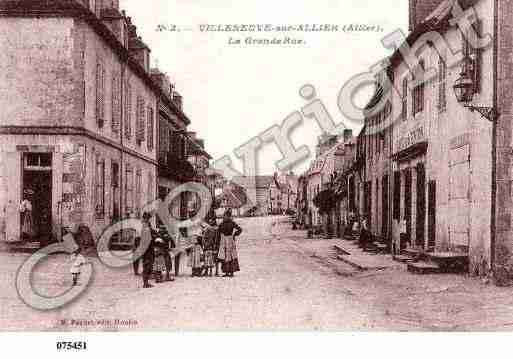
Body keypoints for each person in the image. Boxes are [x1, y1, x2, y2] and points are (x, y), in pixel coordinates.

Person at [217, 209, 242, 278]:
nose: (224, 217)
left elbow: (240, 229)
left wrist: (234, 235)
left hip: (230, 240)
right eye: (224, 216)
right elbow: (218, 232)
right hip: (224, 240)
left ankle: (231, 271)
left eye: (225, 216)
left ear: (228, 216)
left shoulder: (232, 223)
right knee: (224, 256)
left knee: (231, 256)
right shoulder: (222, 224)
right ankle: (226, 271)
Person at [141, 212, 156, 289]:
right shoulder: (145, 226)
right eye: (147, 218)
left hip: (149, 247)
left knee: (149, 264)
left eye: (148, 218)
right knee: (147, 264)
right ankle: (145, 283)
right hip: (146, 248)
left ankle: (146, 282)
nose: (148, 219)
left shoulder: (147, 225)